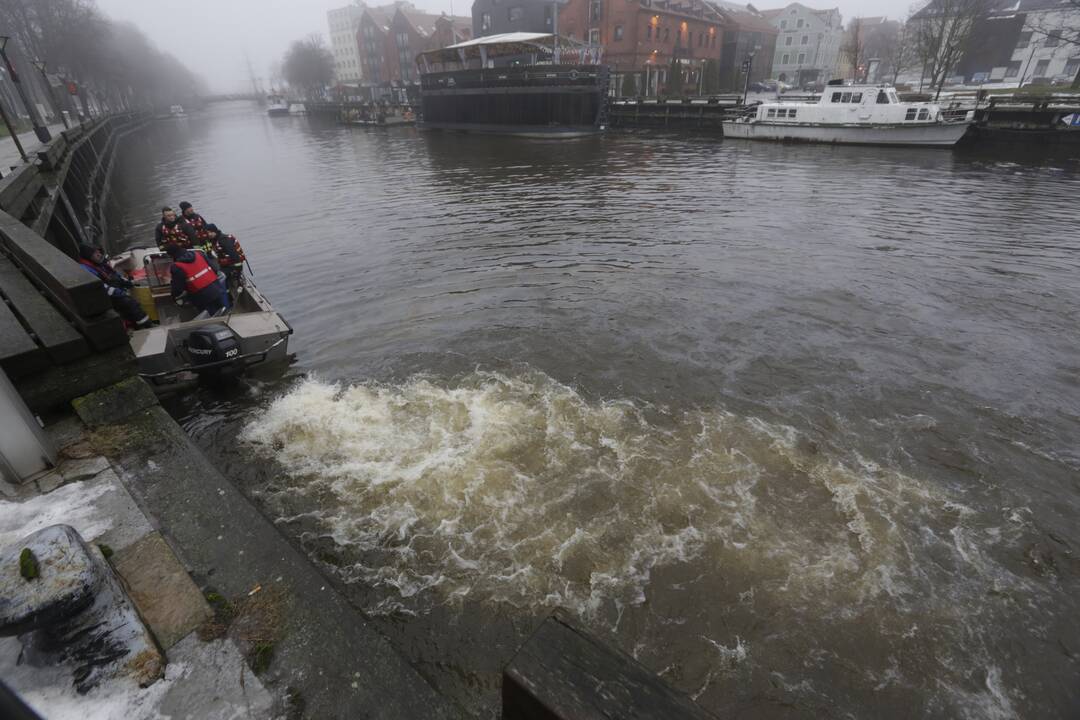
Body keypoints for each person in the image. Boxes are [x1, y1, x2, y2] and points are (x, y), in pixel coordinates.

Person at [77, 245, 153, 329]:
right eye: (95, 253)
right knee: (129, 302)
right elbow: (101, 287)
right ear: (89, 256)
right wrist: (121, 293)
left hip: (114, 291)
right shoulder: (86, 269)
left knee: (129, 298)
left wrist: (128, 283)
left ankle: (135, 322)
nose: (99, 254)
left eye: (99, 252)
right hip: (103, 297)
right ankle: (145, 325)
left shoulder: (101, 264)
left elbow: (115, 275)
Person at [165, 244, 229, 316]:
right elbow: (214, 269)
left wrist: (174, 296)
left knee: (208, 315)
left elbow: (178, 288)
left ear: (172, 255)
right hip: (217, 288)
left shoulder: (176, 266)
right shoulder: (199, 254)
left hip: (201, 296)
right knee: (221, 310)